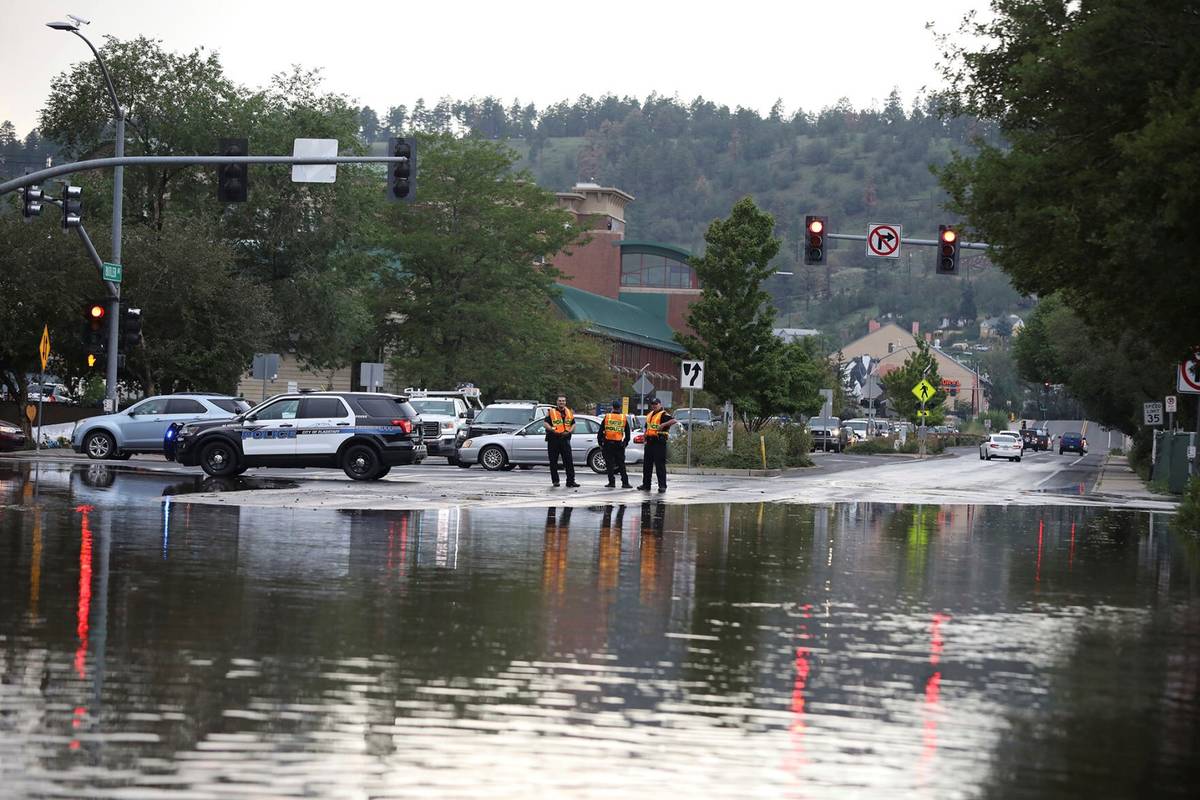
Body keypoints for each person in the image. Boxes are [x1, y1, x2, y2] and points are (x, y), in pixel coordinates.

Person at [637, 397, 677, 493]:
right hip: (650, 442)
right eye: (653, 404)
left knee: (660, 465)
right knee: (647, 465)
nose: (654, 406)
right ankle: (646, 485)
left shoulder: (663, 414)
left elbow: (674, 421)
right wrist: (645, 435)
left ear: (660, 404)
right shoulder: (650, 414)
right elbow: (647, 427)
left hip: (659, 441)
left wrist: (663, 425)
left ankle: (662, 486)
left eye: (656, 404)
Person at [544, 394, 579, 487]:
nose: (561, 402)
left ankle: (570, 481)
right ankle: (555, 481)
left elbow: (573, 424)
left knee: (569, 461)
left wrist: (569, 431)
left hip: (565, 439)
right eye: (560, 401)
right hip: (553, 439)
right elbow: (545, 423)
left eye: (563, 401)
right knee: (553, 462)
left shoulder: (569, 412)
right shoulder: (551, 412)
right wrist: (552, 429)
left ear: (565, 402)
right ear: (557, 402)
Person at [597, 400, 632, 488]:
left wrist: (600, 443)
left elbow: (600, 431)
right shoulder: (623, 418)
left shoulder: (607, 417)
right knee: (621, 464)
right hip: (619, 444)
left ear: (612, 407)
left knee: (609, 464)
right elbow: (628, 433)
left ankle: (611, 482)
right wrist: (625, 443)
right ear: (620, 408)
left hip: (608, 444)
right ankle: (625, 483)